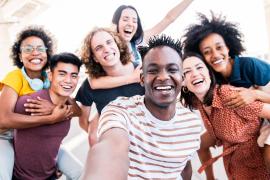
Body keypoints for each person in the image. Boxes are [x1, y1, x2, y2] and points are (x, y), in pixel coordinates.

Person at [80, 35, 203, 180]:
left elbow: (183, 166)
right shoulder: (118, 111)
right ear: (142, 79)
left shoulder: (192, 123)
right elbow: (111, 149)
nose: (163, 77)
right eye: (153, 70)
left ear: (182, 79)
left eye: (172, 69)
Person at [181, 12, 270, 169]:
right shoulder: (212, 78)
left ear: (228, 47)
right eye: (207, 52)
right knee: (201, 143)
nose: (215, 55)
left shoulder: (250, 66)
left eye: (219, 47)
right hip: (252, 123)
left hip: (266, 115)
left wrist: (255, 94)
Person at [0, 26, 82, 180]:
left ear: (47, 53)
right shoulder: (15, 77)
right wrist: (50, 118)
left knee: (79, 171)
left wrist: (54, 108)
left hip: (35, 138)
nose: (35, 52)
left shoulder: (49, 78)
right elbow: (3, 120)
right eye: (28, 49)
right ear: (20, 55)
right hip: (6, 137)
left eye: (40, 48)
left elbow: (77, 111)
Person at [180, 52, 270, 179]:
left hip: (257, 164)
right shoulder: (197, 101)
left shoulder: (228, 95)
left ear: (209, 73)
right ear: (184, 83)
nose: (194, 73)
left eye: (199, 67)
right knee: (199, 143)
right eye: (187, 71)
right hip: (234, 165)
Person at [89, 0, 194, 89]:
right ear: (116, 23)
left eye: (135, 21)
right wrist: (132, 78)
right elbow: (94, 82)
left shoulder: (138, 42)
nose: (130, 23)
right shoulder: (108, 49)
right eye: (125, 19)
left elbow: (168, 19)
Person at [75, 27, 144, 145]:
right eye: (98, 48)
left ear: (117, 44)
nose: (106, 49)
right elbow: (83, 122)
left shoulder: (140, 71)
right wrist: (102, 136)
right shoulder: (90, 85)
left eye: (109, 42)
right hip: (119, 151)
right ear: (95, 58)